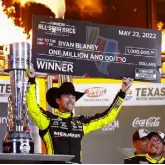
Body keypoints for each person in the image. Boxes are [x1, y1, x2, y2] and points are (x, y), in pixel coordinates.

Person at [26, 68, 133, 164]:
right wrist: (31, 81)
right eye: (67, 96)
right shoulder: (47, 120)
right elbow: (33, 108)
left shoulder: (80, 123)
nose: (71, 100)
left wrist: (122, 93)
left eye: (73, 97)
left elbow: (107, 117)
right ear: (58, 100)